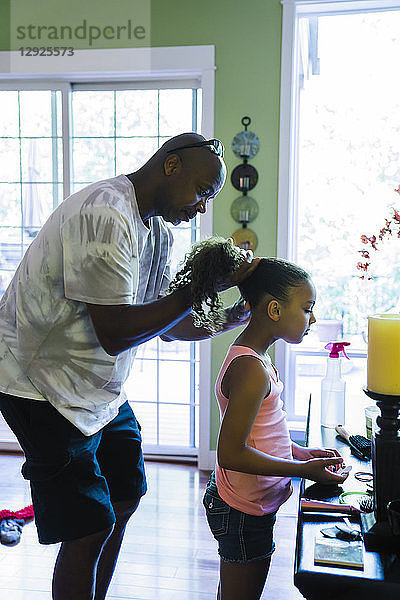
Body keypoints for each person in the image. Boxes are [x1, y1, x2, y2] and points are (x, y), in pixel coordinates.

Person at [0, 134, 259, 600]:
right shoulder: (103, 212)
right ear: (171, 165)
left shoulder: (157, 231)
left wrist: (228, 317)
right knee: (87, 528)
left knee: (125, 492)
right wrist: (200, 284)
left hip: (95, 388)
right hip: (35, 383)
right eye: (202, 192)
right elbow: (116, 332)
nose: (202, 208)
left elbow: (164, 322)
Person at [168, 238, 348, 600]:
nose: (312, 318)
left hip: (250, 505)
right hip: (242, 511)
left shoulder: (259, 360)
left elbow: (263, 435)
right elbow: (231, 454)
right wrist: (303, 473)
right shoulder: (250, 369)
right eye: (307, 308)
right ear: (275, 310)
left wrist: (303, 453)